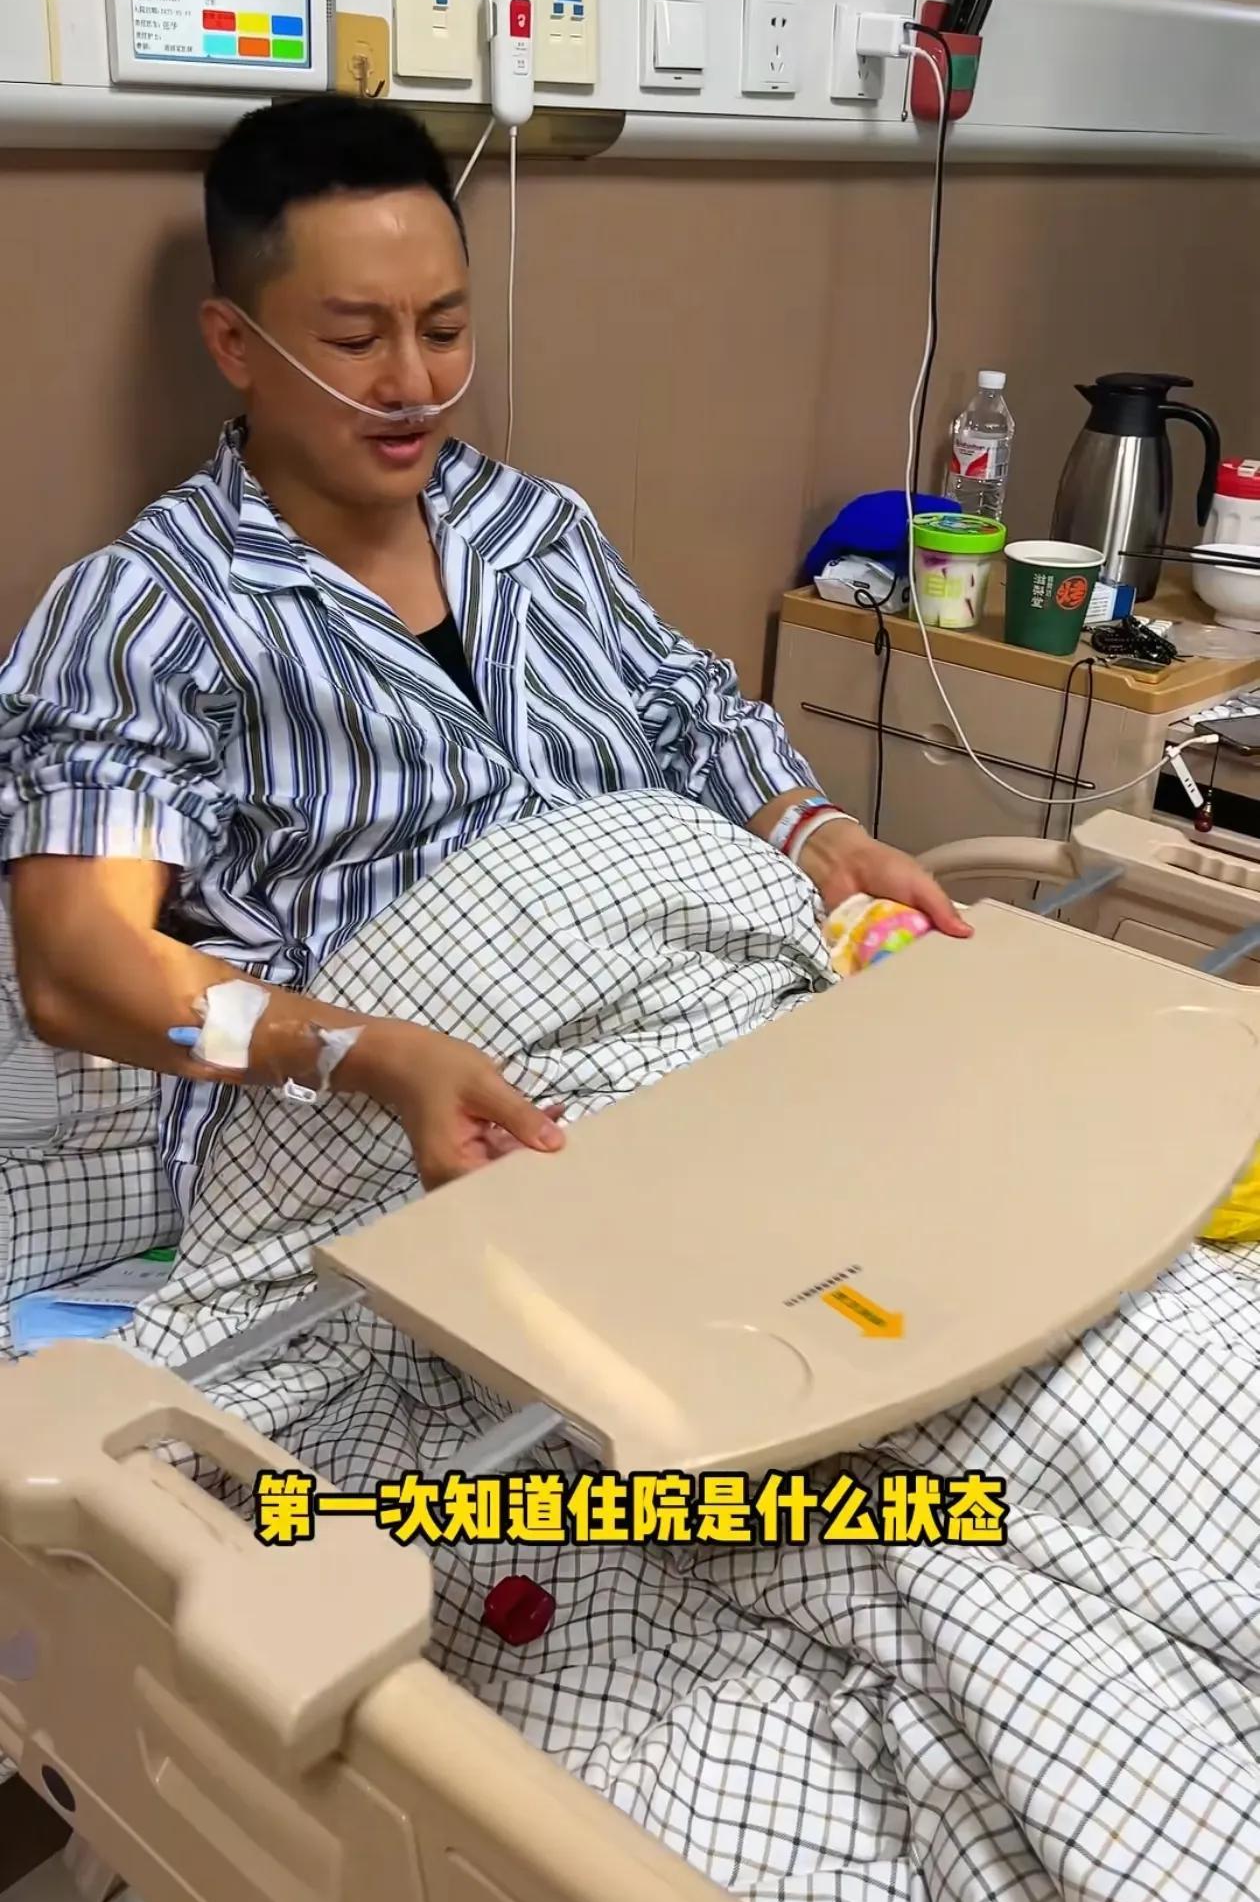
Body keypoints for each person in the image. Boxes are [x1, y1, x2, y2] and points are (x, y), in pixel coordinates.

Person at [0, 96, 964, 1217]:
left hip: (705, 1020)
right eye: (356, 341)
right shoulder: (147, 612)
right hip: (395, 1108)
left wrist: (819, 835)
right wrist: (354, 1051)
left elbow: (690, 714)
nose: (413, 383)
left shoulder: (535, 527)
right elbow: (81, 973)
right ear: (235, 344)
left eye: (445, 330)